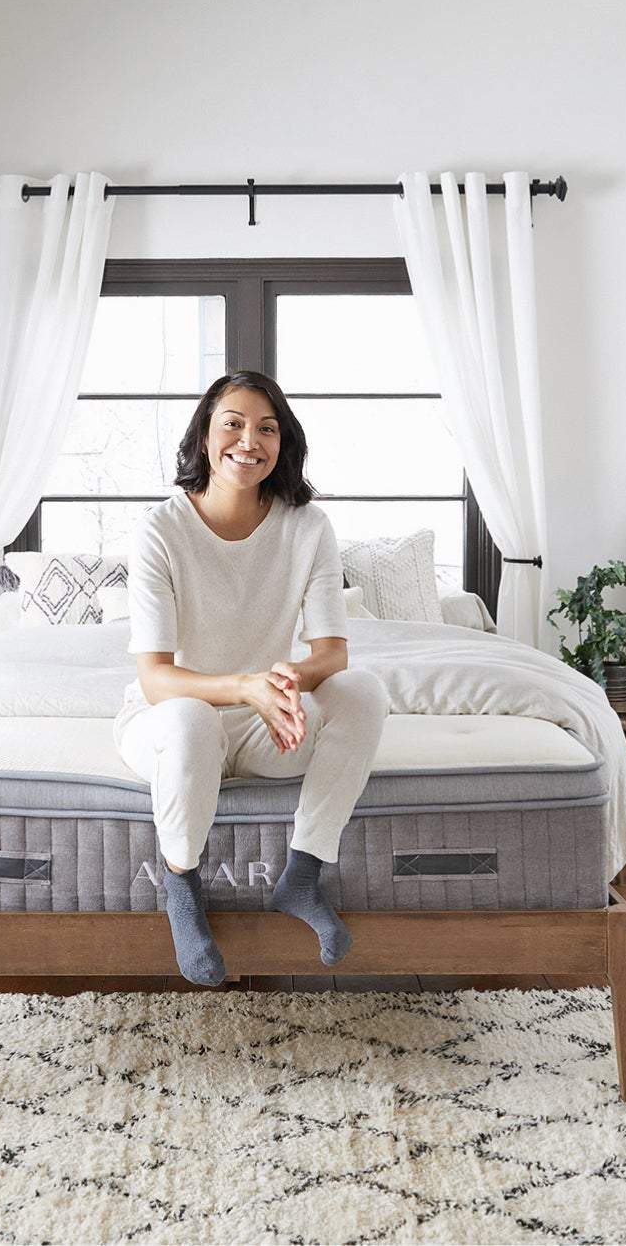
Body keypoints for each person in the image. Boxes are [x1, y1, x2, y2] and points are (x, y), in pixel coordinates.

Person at [112, 370, 389, 986]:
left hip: (269, 728)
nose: (249, 440)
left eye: (267, 428)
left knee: (364, 689)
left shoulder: (307, 526)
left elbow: (333, 654)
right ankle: (181, 888)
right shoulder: (160, 529)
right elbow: (156, 679)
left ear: (283, 444)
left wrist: (290, 676)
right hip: (172, 726)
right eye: (232, 423)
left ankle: (303, 874)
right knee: (188, 717)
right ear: (205, 438)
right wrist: (246, 687)